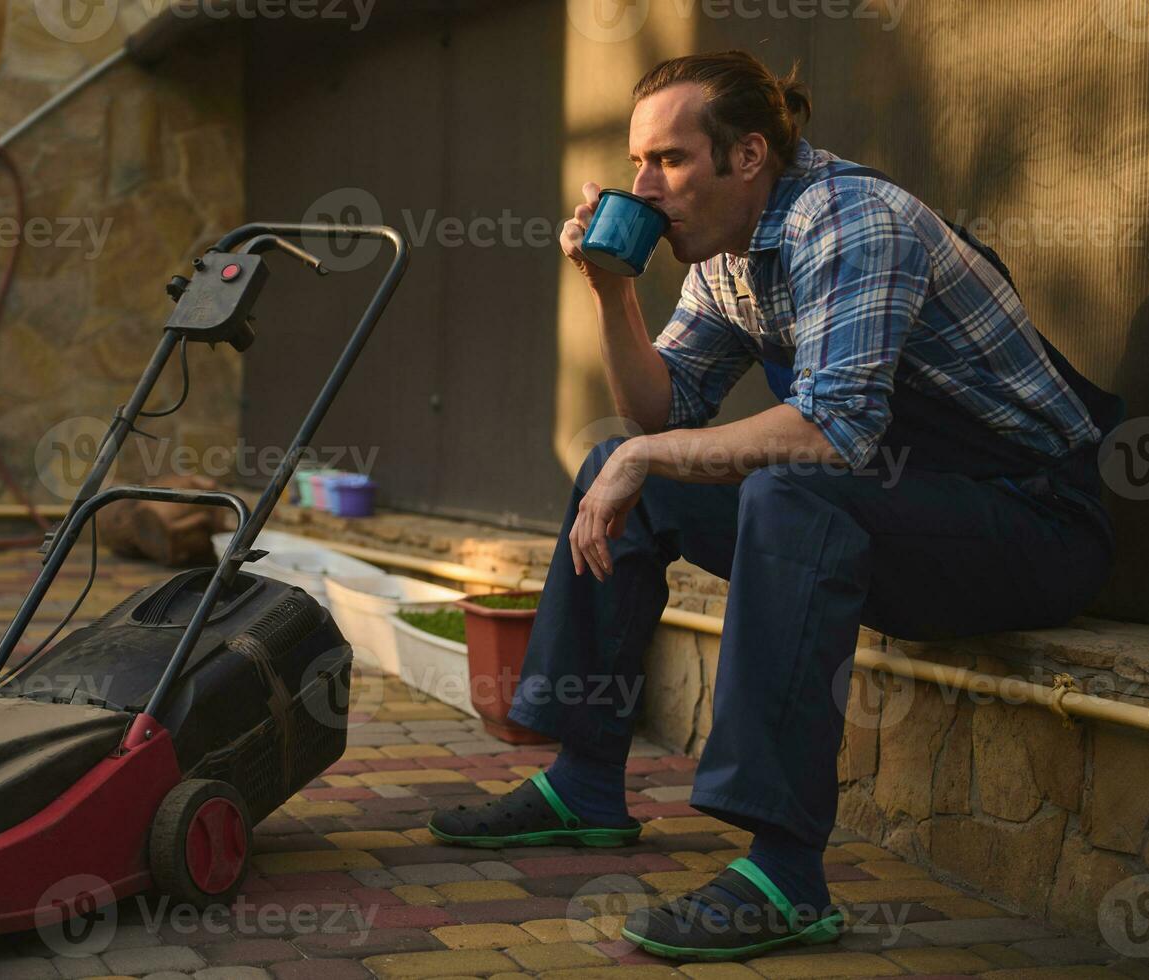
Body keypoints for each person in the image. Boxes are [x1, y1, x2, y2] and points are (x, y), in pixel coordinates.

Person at [427, 50, 1119, 963]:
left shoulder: (853, 220)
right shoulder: (726, 256)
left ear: (747, 155)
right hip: (904, 510)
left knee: (785, 489)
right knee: (619, 464)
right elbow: (661, 410)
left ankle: (785, 875)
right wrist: (611, 292)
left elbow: (832, 432)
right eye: (638, 163)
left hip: (1030, 524)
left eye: (668, 161)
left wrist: (645, 454)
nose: (643, 185)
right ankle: (584, 779)